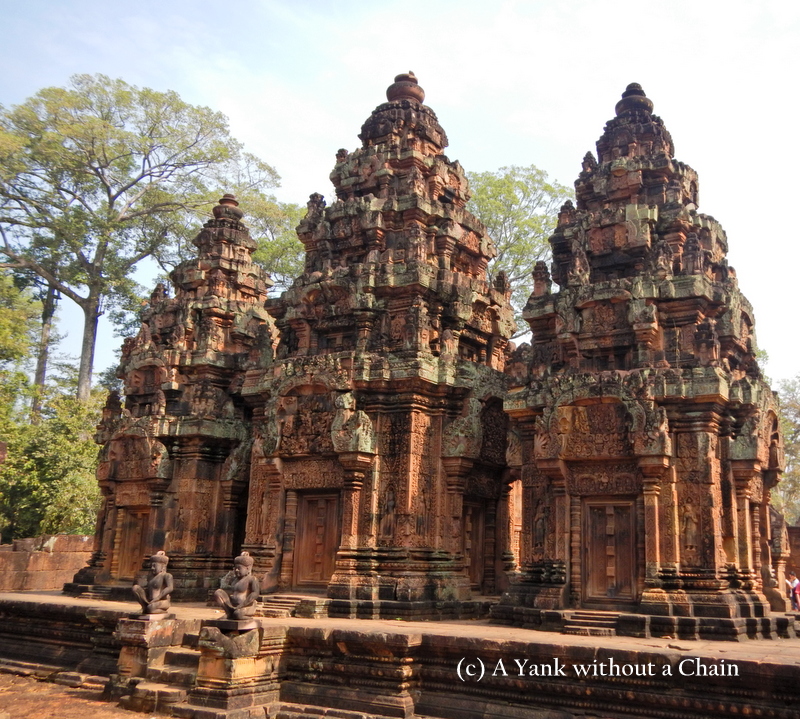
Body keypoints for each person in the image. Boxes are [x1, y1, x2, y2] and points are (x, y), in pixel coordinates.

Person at [214, 551, 261, 620]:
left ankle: (249, 619)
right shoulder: (234, 579)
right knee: (218, 592)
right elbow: (230, 590)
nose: (236, 570)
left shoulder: (252, 579)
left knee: (237, 614)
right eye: (235, 568)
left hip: (246, 606)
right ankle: (229, 612)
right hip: (233, 606)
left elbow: (255, 594)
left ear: (247, 569)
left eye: (239, 568)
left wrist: (242, 605)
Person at [132, 551, 173, 615]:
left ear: (163, 567)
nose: (152, 568)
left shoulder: (167, 575)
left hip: (162, 601)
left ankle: (157, 610)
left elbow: (170, 588)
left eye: (154, 566)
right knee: (135, 588)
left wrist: (158, 598)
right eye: (151, 566)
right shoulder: (150, 576)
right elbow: (148, 588)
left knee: (150, 608)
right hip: (150, 601)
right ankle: (144, 607)